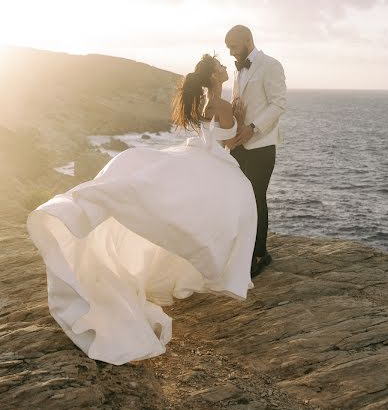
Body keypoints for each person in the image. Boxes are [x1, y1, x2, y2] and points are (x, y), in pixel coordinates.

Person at [27, 54, 257, 365]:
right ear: (215, 75)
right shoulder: (220, 104)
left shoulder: (207, 100)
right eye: (221, 67)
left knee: (188, 210)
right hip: (215, 161)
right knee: (233, 202)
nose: (226, 69)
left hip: (201, 157)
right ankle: (215, 270)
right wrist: (244, 122)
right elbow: (230, 142)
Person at [225, 25, 287, 278]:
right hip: (240, 145)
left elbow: (279, 103)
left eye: (234, 47)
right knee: (240, 199)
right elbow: (240, 104)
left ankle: (260, 254)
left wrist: (253, 128)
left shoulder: (270, 65)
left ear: (248, 40)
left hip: (261, 145)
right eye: (228, 48)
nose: (231, 53)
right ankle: (244, 251)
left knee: (256, 198)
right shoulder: (237, 69)